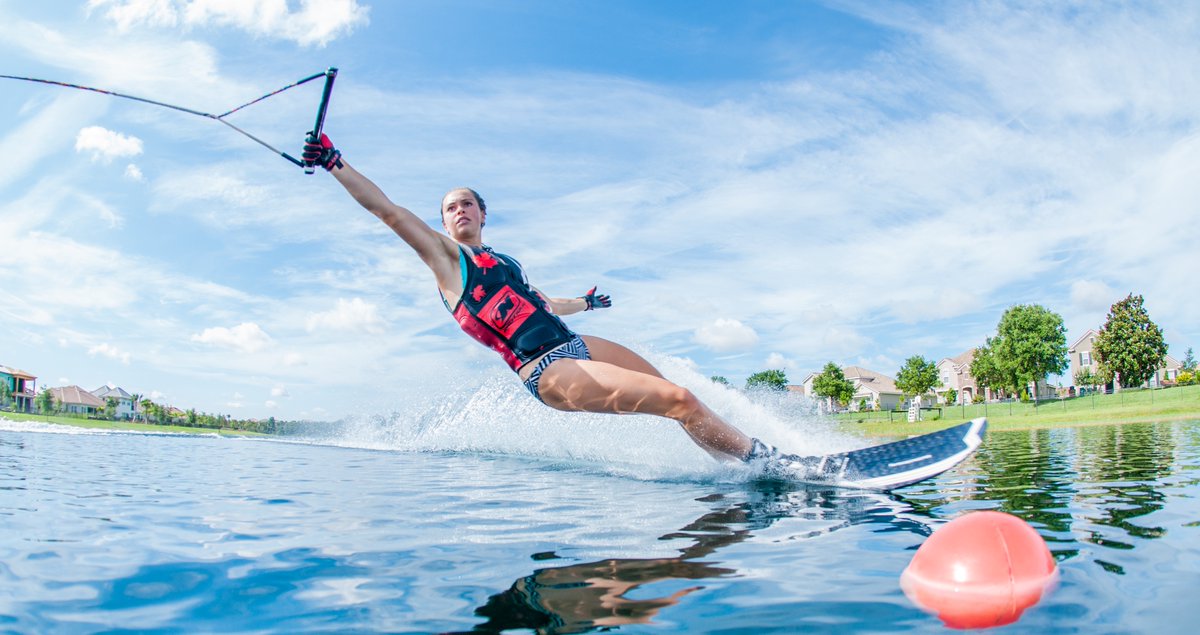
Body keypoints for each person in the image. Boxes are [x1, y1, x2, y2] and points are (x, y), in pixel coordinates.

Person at [302, 133, 808, 471]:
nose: (460, 211)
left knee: (680, 397)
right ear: (442, 222)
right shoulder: (445, 260)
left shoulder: (506, 262)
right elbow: (388, 211)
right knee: (680, 401)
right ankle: (769, 464)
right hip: (547, 371)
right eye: (450, 207)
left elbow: (546, 304)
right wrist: (334, 162)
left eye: (468, 203)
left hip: (577, 344)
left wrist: (584, 303)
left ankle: (737, 467)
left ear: (483, 214)